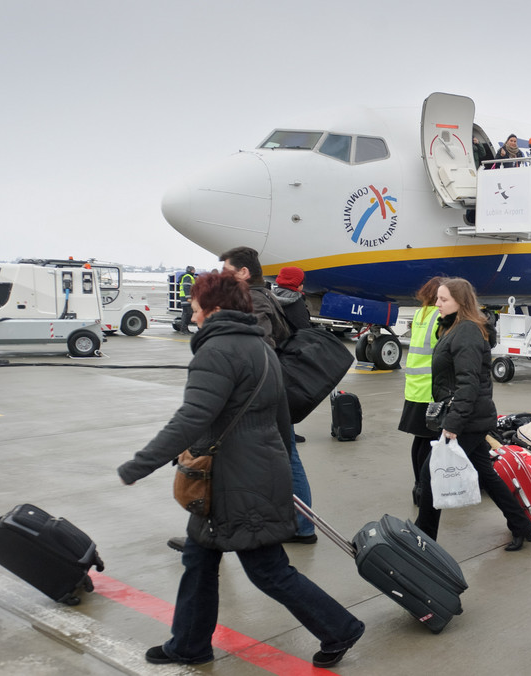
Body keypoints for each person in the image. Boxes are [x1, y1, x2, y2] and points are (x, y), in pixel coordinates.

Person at [117, 271, 364, 668]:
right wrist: (280, 466)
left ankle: (339, 628)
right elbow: (283, 418)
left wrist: (139, 464)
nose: (193, 317)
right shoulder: (260, 346)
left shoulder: (217, 352)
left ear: (214, 308)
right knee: (199, 561)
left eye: (196, 309)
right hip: (250, 472)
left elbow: (191, 418)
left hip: (234, 480)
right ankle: (189, 644)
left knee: (268, 571)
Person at [415, 278, 531, 550]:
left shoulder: (467, 331)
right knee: (486, 474)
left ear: (460, 301)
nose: (437, 304)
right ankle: (521, 524)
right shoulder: (455, 328)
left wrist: (453, 424)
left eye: (443, 299)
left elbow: (468, 384)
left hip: (467, 420)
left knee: (430, 474)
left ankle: (424, 542)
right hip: (470, 417)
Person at [219, 247, 313, 544]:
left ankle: (299, 526)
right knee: (285, 457)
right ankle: (297, 525)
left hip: (262, 394)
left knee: (283, 458)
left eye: (227, 271)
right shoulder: (262, 296)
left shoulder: (255, 300)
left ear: (244, 273)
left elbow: (258, 350)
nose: (222, 277)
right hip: (270, 391)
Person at [398, 277, 445, 506]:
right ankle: (424, 488)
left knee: (420, 439)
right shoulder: (439, 316)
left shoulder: (420, 314)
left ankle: (418, 484)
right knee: (429, 441)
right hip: (430, 387)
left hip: (414, 386)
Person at [272, 266, 310, 333]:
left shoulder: (268, 296)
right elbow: (303, 329)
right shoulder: (297, 302)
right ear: (298, 284)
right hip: (288, 341)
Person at [177, 266, 196, 333]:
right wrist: (188, 297)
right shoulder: (188, 277)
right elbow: (186, 287)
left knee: (186, 313)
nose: (195, 271)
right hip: (186, 298)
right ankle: (184, 329)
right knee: (188, 313)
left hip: (184, 297)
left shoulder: (188, 276)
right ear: (191, 270)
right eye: (194, 270)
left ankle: (184, 329)